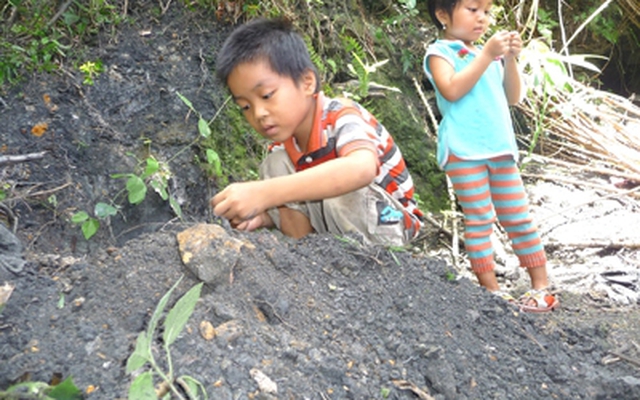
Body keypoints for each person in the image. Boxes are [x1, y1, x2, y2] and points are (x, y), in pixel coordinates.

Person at [210, 18, 423, 247]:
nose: (258, 113)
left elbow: (362, 169)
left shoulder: (342, 115)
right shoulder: (283, 146)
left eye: (266, 95)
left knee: (339, 195)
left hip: (390, 224)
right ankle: (307, 262)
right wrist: (262, 217)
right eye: (245, 107)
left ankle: (366, 271)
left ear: (307, 82)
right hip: (334, 230)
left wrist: (264, 193)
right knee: (275, 165)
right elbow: (301, 200)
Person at [423, 0, 559, 312]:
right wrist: (487, 55)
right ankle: (491, 290)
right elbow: (451, 90)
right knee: (480, 218)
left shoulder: (485, 55)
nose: (481, 19)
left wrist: (509, 60)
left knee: (518, 216)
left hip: (500, 148)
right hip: (464, 151)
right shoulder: (439, 53)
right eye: (472, 10)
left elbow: (513, 97)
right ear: (443, 15)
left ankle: (540, 284)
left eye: (486, 12)